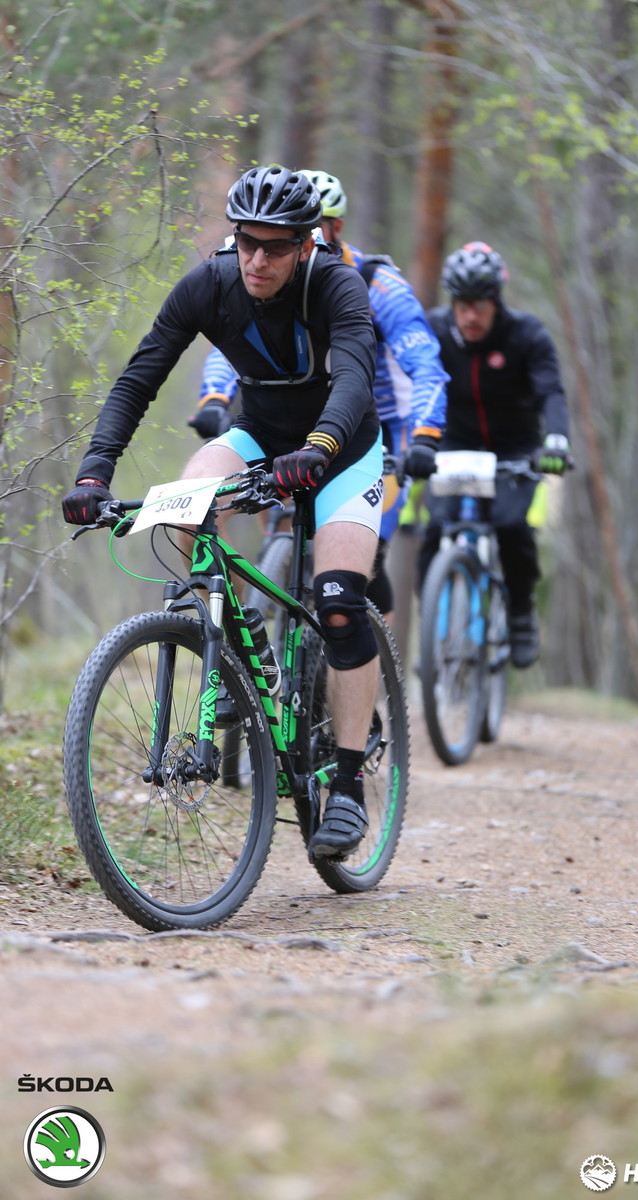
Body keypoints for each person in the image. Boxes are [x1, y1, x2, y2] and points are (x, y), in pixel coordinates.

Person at [62, 164, 385, 861]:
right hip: (258, 435)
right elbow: (140, 376)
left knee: (335, 602)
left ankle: (352, 786)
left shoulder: (336, 284)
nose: (256, 260)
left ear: (305, 244)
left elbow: (356, 374)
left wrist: (322, 446)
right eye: (245, 243)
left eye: (273, 247)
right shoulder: (208, 285)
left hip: (346, 447)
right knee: (181, 508)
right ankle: (238, 653)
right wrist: (95, 469)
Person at [189, 167, 449, 619]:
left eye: (308, 227)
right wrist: (214, 401)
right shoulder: (270, 279)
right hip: (296, 426)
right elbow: (232, 347)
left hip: (380, 429)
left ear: (333, 229)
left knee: (365, 560)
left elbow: (426, 365)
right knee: (277, 519)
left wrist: (426, 434)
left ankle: (368, 669)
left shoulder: (378, 285)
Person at [420, 241, 572, 669]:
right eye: (462, 304)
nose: (469, 316)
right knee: (435, 530)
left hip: (516, 451)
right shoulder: (434, 330)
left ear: (496, 302)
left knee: (512, 529)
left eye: (480, 306)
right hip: (455, 446)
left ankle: (521, 615)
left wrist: (556, 440)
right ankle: (434, 626)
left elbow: (551, 392)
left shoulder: (527, 335)